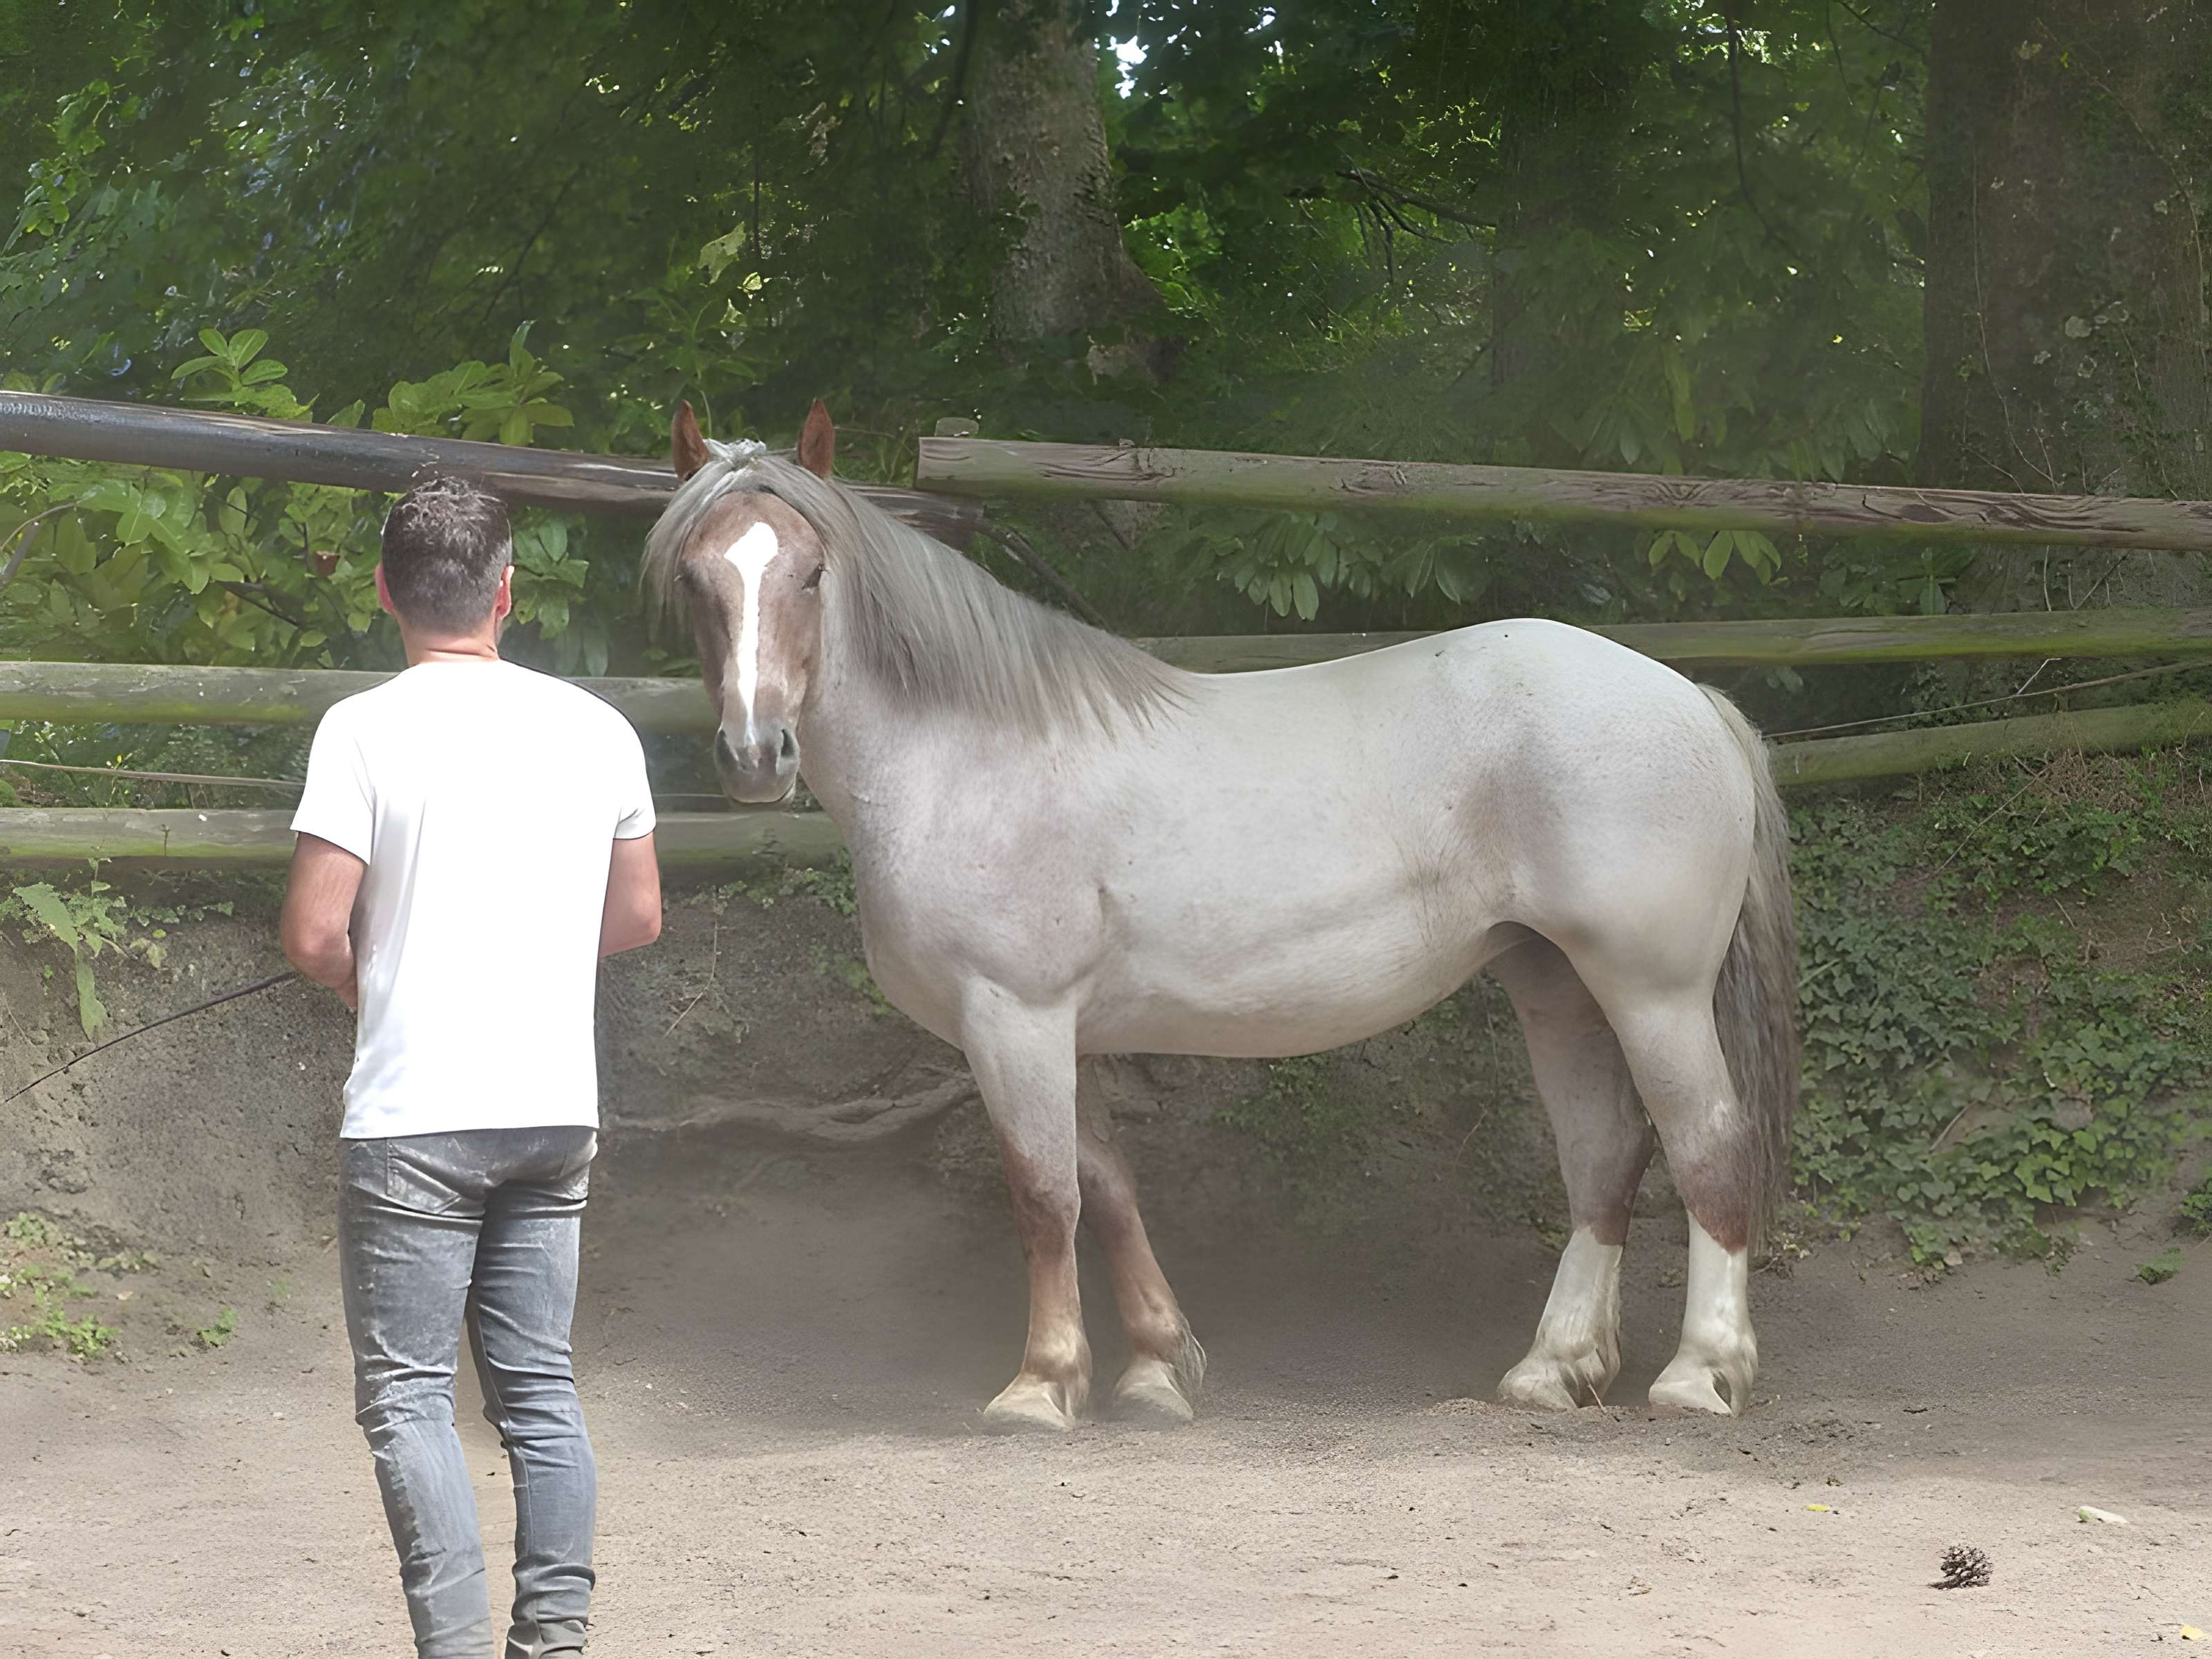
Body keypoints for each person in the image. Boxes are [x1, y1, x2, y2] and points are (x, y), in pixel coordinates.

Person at [280, 475, 663, 1658]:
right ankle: (553, 1638)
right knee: (538, 1391)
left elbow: (312, 932)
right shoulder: (599, 728)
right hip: (553, 1110)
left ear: (385, 591)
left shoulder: (362, 728)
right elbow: (639, 916)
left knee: (407, 1400)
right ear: (509, 593)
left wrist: (370, 980)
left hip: (415, 1118)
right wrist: (533, 953)